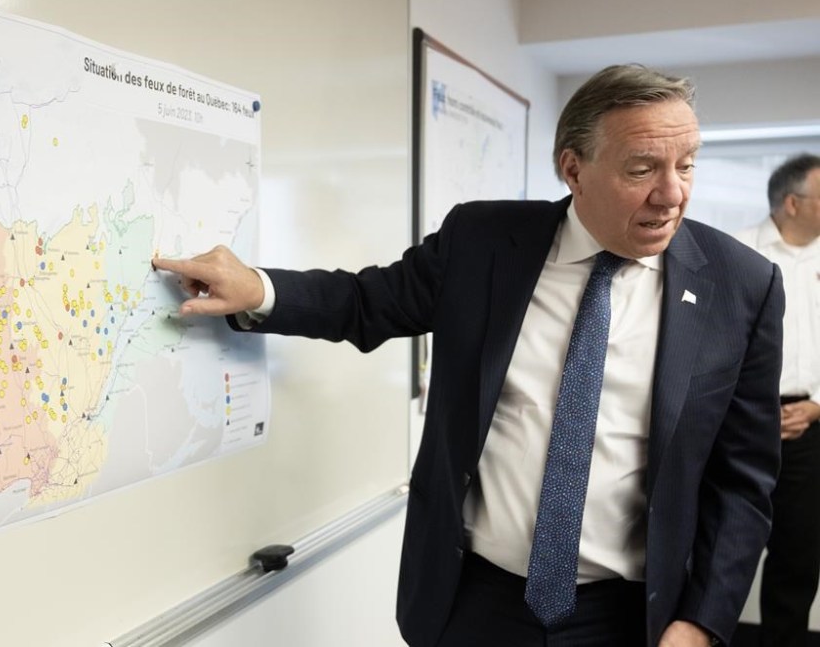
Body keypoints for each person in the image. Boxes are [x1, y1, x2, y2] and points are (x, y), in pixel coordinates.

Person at [152, 65, 784, 647]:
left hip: (633, 619)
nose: (672, 195)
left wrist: (702, 621)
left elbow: (743, 482)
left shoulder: (742, 287)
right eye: (642, 169)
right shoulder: (483, 241)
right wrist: (260, 288)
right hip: (474, 602)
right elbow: (367, 302)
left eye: (688, 165)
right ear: (574, 169)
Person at [734, 153, 820, 647]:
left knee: (798, 555)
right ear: (792, 203)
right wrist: (754, 410)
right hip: (742, 424)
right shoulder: (737, 251)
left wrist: (816, 406)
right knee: (725, 544)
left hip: (809, 426)